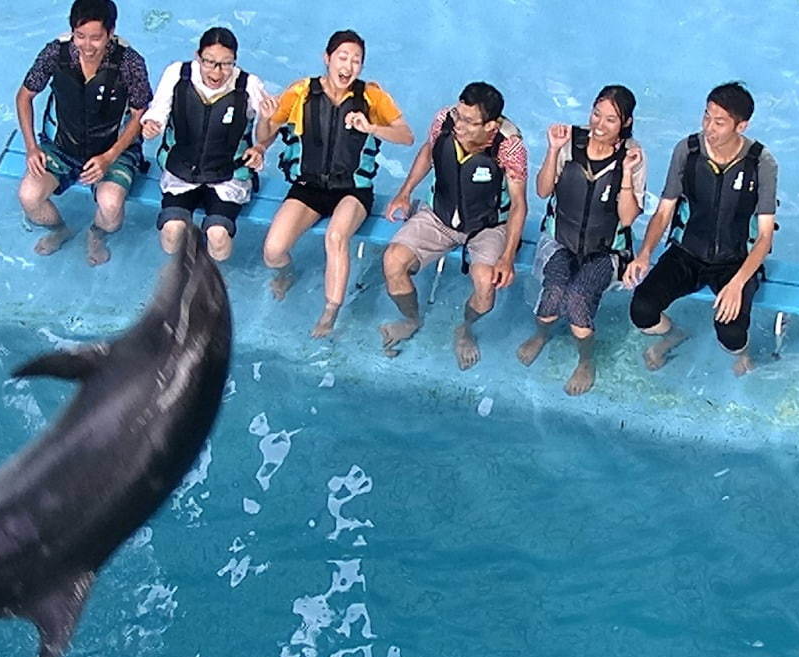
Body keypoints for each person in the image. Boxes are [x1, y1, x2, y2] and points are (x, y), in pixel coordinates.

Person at [253, 31, 414, 337]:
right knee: (273, 250)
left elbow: (406, 136)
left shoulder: (372, 96)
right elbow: (264, 137)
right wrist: (264, 119)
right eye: (343, 57)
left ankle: (330, 313)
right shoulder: (300, 93)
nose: (349, 66)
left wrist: (373, 127)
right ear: (326, 58)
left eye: (356, 61)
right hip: (308, 188)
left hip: (353, 191)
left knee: (335, 237)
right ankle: (287, 273)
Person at [623, 81, 777, 376]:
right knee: (641, 311)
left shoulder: (761, 163)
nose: (709, 127)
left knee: (730, 333)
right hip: (686, 254)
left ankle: (742, 353)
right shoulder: (687, 150)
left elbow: (765, 236)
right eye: (706, 116)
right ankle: (674, 334)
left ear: (741, 126)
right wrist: (644, 254)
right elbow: (665, 209)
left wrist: (737, 284)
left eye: (719, 122)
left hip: (735, 262)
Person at [379, 82, 530, 369]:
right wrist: (404, 192)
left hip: (488, 226)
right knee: (392, 261)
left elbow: (519, 204)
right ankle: (412, 319)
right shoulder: (445, 120)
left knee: (487, 285)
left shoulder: (509, 147)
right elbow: (428, 151)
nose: (458, 124)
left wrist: (507, 257)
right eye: (459, 115)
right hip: (439, 215)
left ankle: (466, 329)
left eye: (469, 121)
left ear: (491, 127)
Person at [517, 86, 646, 395]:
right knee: (551, 298)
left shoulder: (633, 155)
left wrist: (626, 173)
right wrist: (552, 149)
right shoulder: (568, 142)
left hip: (607, 251)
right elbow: (543, 190)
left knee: (577, 300)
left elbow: (627, 219)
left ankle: (587, 360)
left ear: (626, 122)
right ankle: (541, 335)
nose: (599, 125)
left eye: (611, 120)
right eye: (596, 114)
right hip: (560, 240)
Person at [14, 0, 152, 267]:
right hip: (63, 145)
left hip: (114, 148)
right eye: (80, 36)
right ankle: (60, 229)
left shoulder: (129, 62)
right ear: (72, 31)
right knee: (29, 196)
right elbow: (24, 96)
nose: (87, 46)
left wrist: (109, 157)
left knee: (111, 207)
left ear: (110, 33)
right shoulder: (55, 53)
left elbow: (139, 115)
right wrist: (31, 147)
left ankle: (96, 234)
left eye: (96, 38)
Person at [140, 27, 275, 262]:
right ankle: (181, 269)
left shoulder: (248, 86)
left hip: (227, 176)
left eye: (226, 64)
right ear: (197, 57)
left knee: (218, 235)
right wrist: (152, 124)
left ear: (234, 61)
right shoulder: (177, 74)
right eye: (209, 62)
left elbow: (270, 129)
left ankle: (207, 274)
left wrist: (261, 147)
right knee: (172, 231)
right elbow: (158, 111)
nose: (217, 72)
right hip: (181, 172)